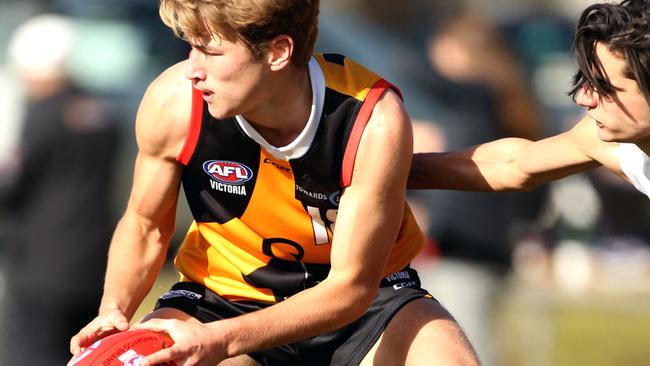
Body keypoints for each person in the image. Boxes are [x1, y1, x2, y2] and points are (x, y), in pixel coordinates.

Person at [69, 1, 478, 365]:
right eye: (191, 47)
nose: (193, 69)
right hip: (222, 296)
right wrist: (114, 309)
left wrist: (218, 341)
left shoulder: (370, 119)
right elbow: (144, 223)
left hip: (365, 302)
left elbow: (350, 289)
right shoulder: (175, 102)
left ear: (278, 52)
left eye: (210, 51)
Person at [408, 0, 650, 201]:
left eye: (603, 86)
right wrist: (392, 167)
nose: (583, 97)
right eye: (587, 82)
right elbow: (512, 165)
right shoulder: (608, 143)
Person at [1, 14, 121, 365]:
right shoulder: (103, 112)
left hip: (40, 268)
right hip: (94, 263)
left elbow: (13, 184)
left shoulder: (42, 115)